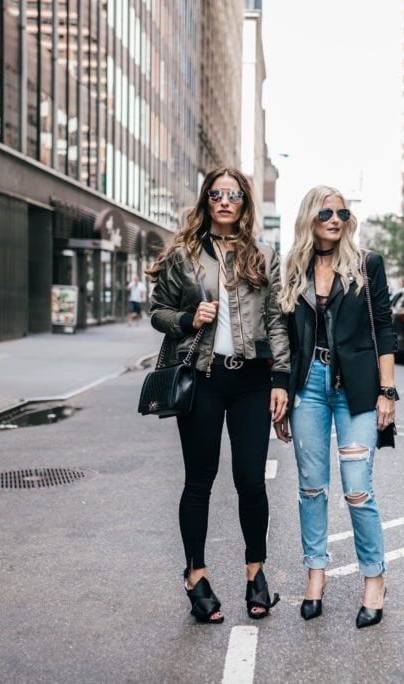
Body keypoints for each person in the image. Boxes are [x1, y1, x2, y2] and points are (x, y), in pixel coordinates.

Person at [147, 167, 290, 624]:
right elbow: (157, 313)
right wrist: (189, 318)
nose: (225, 201)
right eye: (217, 194)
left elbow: (274, 321)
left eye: (233, 195)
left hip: (250, 381)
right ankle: (196, 574)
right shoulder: (184, 255)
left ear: (245, 203)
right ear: (207, 200)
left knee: (251, 480)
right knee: (200, 480)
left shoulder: (263, 254)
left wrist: (281, 378)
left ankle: (256, 573)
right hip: (204, 380)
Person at [274, 185, 397, 629]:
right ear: (310, 216)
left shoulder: (367, 265)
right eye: (326, 211)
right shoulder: (294, 268)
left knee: (357, 487)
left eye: (342, 212)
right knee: (310, 487)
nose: (335, 218)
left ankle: (374, 578)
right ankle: (316, 575)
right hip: (309, 384)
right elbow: (284, 336)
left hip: (357, 388)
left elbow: (384, 327)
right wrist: (281, 389)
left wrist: (388, 391)